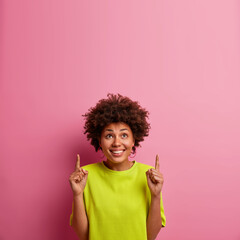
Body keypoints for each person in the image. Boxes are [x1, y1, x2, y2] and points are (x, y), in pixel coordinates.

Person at [69, 93, 166, 240]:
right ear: (99, 141)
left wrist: (156, 195)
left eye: (124, 135)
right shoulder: (85, 176)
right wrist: (77, 194)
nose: (116, 143)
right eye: (109, 136)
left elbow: (150, 237)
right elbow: (83, 236)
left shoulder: (148, 176)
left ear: (134, 140)